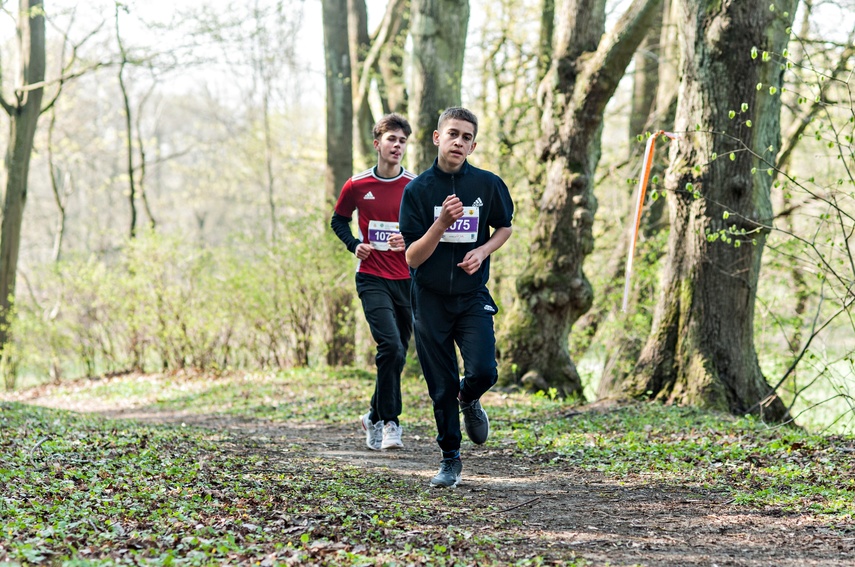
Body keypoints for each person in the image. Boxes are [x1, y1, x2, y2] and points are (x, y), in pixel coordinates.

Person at [398, 107, 514, 488]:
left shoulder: (487, 185)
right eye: (453, 134)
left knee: (484, 370)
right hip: (429, 299)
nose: (459, 142)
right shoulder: (417, 191)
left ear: (473, 145)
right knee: (442, 385)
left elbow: (504, 227)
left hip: (471, 294)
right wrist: (441, 223)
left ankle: (470, 398)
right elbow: (412, 257)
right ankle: (450, 458)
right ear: (437, 137)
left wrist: (483, 251)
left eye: (467, 137)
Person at [331, 113, 415, 452]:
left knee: (398, 353)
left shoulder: (415, 185)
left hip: (407, 279)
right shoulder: (357, 185)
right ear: (377, 143)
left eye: (403, 141)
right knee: (390, 347)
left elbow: (429, 228)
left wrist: (409, 240)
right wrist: (355, 245)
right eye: (392, 139)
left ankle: (372, 415)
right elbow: (338, 221)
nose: (397, 145)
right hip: (371, 277)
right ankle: (391, 422)